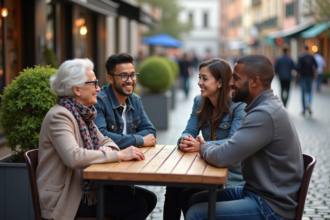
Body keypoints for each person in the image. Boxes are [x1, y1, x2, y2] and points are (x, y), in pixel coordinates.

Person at [186, 54, 304, 220]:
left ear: (254, 82)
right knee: (194, 199)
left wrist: (203, 146)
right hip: (255, 192)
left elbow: (223, 156)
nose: (231, 83)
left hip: (270, 205)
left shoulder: (264, 114)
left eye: (236, 78)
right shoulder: (263, 107)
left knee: (196, 214)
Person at [37, 58, 156, 220]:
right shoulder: (60, 116)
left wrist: (108, 150)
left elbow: (107, 141)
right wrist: (119, 155)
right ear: (77, 90)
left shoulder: (83, 113)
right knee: (138, 204)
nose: (99, 89)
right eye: (93, 84)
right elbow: (74, 157)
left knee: (148, 198)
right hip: (65, 197)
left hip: (83, 189)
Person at [163, 58, 246, 220]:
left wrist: (201, 146)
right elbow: (189, 130)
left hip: (231, 175)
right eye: (199, 78)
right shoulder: (199, 101)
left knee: (187, 194)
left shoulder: (239, 106)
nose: (199, 83)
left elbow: (234, 143)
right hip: (207, 168)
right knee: (174, 186)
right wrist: (184, 140)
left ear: (220, 82)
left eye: (204, 78)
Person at [94, 53, 157, 149]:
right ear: (110, 78)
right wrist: (139, 140)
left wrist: (126, 141)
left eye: (132, 75)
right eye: (123, 76)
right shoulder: (99, 101)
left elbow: (150, 131)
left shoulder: (135, 100)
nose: (130, 80)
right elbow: (100, 137)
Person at [297, 44, 318, 115]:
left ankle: (303, 109)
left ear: (303, 49)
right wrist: (314, 72)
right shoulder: (312, 56)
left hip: (303, 76)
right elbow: (316, 65)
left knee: (303, 92)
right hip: (310, 76)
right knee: (310, 91)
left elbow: (298, 67)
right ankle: (308, 103)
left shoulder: (301, 57)